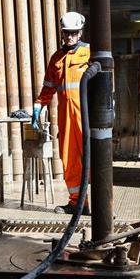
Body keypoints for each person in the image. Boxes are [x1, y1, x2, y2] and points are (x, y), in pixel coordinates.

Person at [32, 11, 91, 215]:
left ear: (80, 32)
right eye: (67, 33)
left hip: (86, 116)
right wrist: (39, 105)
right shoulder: (56, 58)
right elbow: (48, 87)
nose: (70, 37)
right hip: (66, 117)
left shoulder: (89, 53)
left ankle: (98, 203)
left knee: (93, 158)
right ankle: (77, 203)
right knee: (69, 159)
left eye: (74, 33)